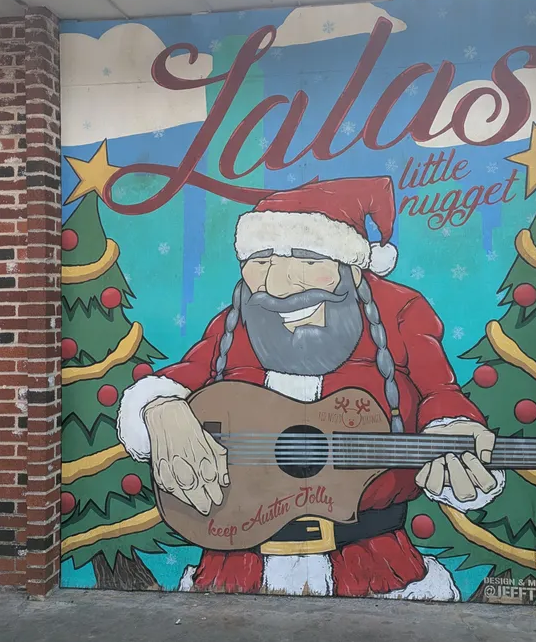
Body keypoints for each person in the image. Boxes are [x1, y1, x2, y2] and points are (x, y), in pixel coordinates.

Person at [117, 176, 504, 597]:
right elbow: (178, 380)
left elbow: (439, 393)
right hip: (239, 562)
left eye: (303, 257)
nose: (278, 281)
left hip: (369, 560)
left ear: (348, 263)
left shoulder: (398, 314)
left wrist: (450, 430)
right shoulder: (234, 323)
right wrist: (161, 410)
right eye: (261, 258)